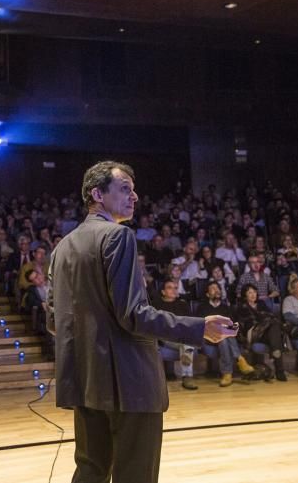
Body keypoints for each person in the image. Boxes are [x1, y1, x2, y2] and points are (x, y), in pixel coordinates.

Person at [49, 161, 234, 483]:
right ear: (97, 194)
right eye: (125, 189)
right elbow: (134, 314)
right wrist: (198, 327)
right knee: (135, 474)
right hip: (128, 382)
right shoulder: (117, 236)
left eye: (134, 190)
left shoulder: (61, 247)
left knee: (91, 470)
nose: (134, 196)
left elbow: (54, 320)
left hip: (85, 378)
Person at [200, 282, 254, 386]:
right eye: (213, 288)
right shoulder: (202, 308)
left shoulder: (227, 308)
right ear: (207, 294)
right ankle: (240, 359)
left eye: (217, 288)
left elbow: (234, 326)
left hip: (224, 337)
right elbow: (200, 325)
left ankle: (227, 373)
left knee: (223, 338)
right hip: (208, 337)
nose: (216, 290)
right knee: (222, 332)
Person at [152, 280, 199, 390]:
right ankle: (187, 376)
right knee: (188, 344)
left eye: (175, 288)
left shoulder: (182, 304)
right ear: (163, 292)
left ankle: (187, 375)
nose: (174, 290)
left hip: (181, 337)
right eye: (170, 287)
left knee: (187, 342)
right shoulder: (156, 305)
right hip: (165, 338)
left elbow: (190, 323)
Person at [234, 283, 286, 381]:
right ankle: (280, 370)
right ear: (245, 295)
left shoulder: (261, 303)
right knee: (273, 323)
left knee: (274, 328)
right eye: (250, 293)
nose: (253, 294)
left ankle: (276, 354)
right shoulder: (241, 307)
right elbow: (244, 324)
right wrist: (264, 320)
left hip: (265, 332)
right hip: (252, 333)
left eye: (254, 292)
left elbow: (269, 316)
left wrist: (265, 320)